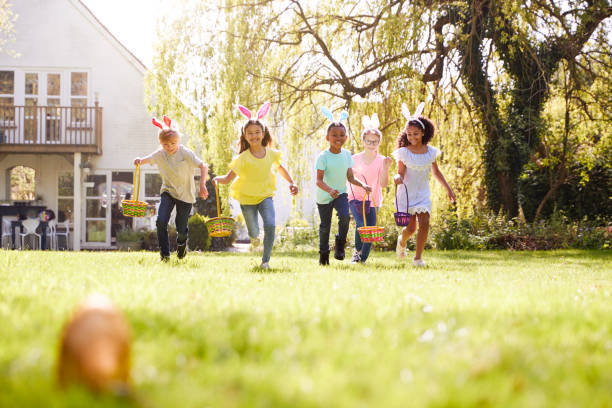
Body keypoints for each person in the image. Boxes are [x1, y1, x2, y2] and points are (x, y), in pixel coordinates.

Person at [213, 102, 298, 269]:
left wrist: (292, 182)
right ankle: (254, 237)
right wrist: (218, 179)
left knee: (270, 224)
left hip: (265, 195)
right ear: (245, 136)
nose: (254, 136)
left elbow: (281, 169)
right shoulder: (243, 158)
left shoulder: (271, 154)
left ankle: (265, 261)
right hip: (247, 198)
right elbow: (229, 177)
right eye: (250, 133)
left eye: (257, 132)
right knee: (253, 232)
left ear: (263, 133)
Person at [133, 116, 208, 261]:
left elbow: (203, 165)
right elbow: (145, 160)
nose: (170, 147)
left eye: (173, 143)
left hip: (185, 195)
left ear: (178, 141)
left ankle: (181, 245)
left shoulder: (184, 152)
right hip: (168, 191)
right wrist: (139, 161)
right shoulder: (160, 154)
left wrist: (202, 184)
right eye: (166, 144)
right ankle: (165, 255)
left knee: (181, 228)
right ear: (161, 143)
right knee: (161, 221)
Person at [393, 102, 455, 267]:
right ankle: (402, 240)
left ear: (422, 133)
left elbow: (436, 172)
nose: (412, 137)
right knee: (411, 229)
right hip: (407, 194)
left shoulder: (430, 152)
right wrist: (396, 177)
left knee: (425, 222)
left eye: (415, 134)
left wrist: (449, 189)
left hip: (422, 194)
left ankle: (418, 258)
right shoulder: (403, 152)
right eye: (409, 134)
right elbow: (400, 172)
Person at [316, 107, 371, 266]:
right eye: (334, 135)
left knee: (345, 216)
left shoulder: (346, 154)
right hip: (324, 196)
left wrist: (363, 185)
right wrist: (329, 190)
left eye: (341, 135)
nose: (338, 138)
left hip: (340, 194)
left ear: (346, 137)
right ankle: (323, 255)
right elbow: (318, 181)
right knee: (325, 226)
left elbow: (350, 177)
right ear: (327, 137)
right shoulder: (323, 157)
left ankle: (340, 244)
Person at [347, 114, 392, 264]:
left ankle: (362, 259)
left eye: (374, 141)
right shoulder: (354, 159)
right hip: (356, 198)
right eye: (368, 141)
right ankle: (356, 254)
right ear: (363, 141)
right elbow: (349, 177)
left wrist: (386, 168)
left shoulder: (382, 160)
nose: (371, 144)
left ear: (379, 142)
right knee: (362, 225)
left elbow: (384, 184)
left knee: (371, 230)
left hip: (373, 200)